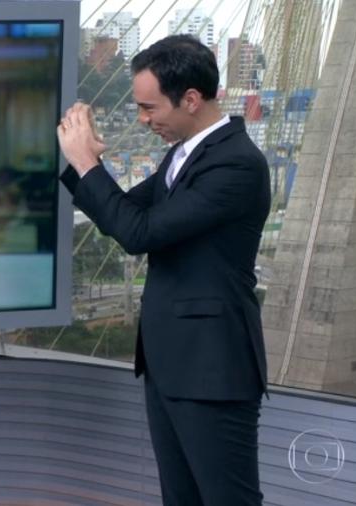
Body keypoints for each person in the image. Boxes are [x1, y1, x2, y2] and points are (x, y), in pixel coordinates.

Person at [57, 35, 270, 505]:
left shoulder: (237, 164)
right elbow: (123, 214)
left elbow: (139, 233)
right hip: (170, 364)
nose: (143, 119)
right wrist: (85, 163)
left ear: (191, 99)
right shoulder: (183, 155)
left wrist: (86, 163)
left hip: (212, 369)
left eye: (149, 108)